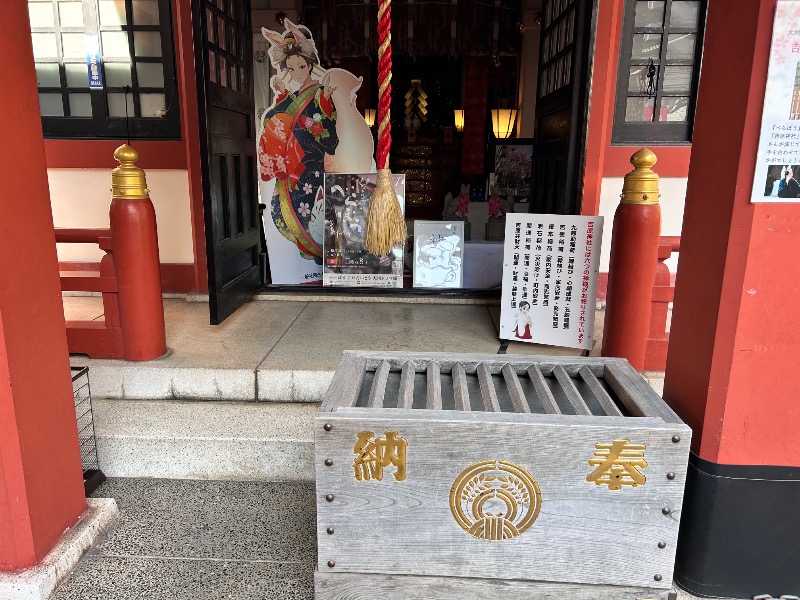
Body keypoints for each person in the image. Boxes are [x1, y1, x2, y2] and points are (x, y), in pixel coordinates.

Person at [259, 21, 339, 265]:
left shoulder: (318, 93)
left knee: (312, 209)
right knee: (285, 208)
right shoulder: (294, 96)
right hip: (291, 163)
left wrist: (325, 100)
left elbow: (328, 132)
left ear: (310, 64)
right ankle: (308, 250)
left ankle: (319, 252)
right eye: (292, 69)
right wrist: (283, 95)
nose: (297, 72)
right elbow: (280, 116)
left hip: (310, 164)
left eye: (301, 66)